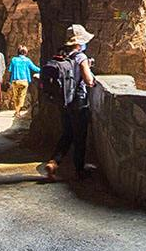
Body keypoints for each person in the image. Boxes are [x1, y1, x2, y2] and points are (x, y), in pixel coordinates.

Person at [45, 25, 96, 181]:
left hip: (65, 102)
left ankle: (54, 162)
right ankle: (79, 170)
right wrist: (90, 76)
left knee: (67, 134)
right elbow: (88, 80)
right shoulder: (80, 57)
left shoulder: (62, 55)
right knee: (80, 136)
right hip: (79, 101)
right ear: (80, 42)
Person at [8, 45, 40, 117]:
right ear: (25, 53)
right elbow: (34, 68)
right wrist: (43, 70)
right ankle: (18, 112)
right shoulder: (27, 60)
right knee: (22, 96)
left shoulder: (14, 60)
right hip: (24, 81)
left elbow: (10, 70)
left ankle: (17, 111)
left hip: (15, 80)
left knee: (16, 96)